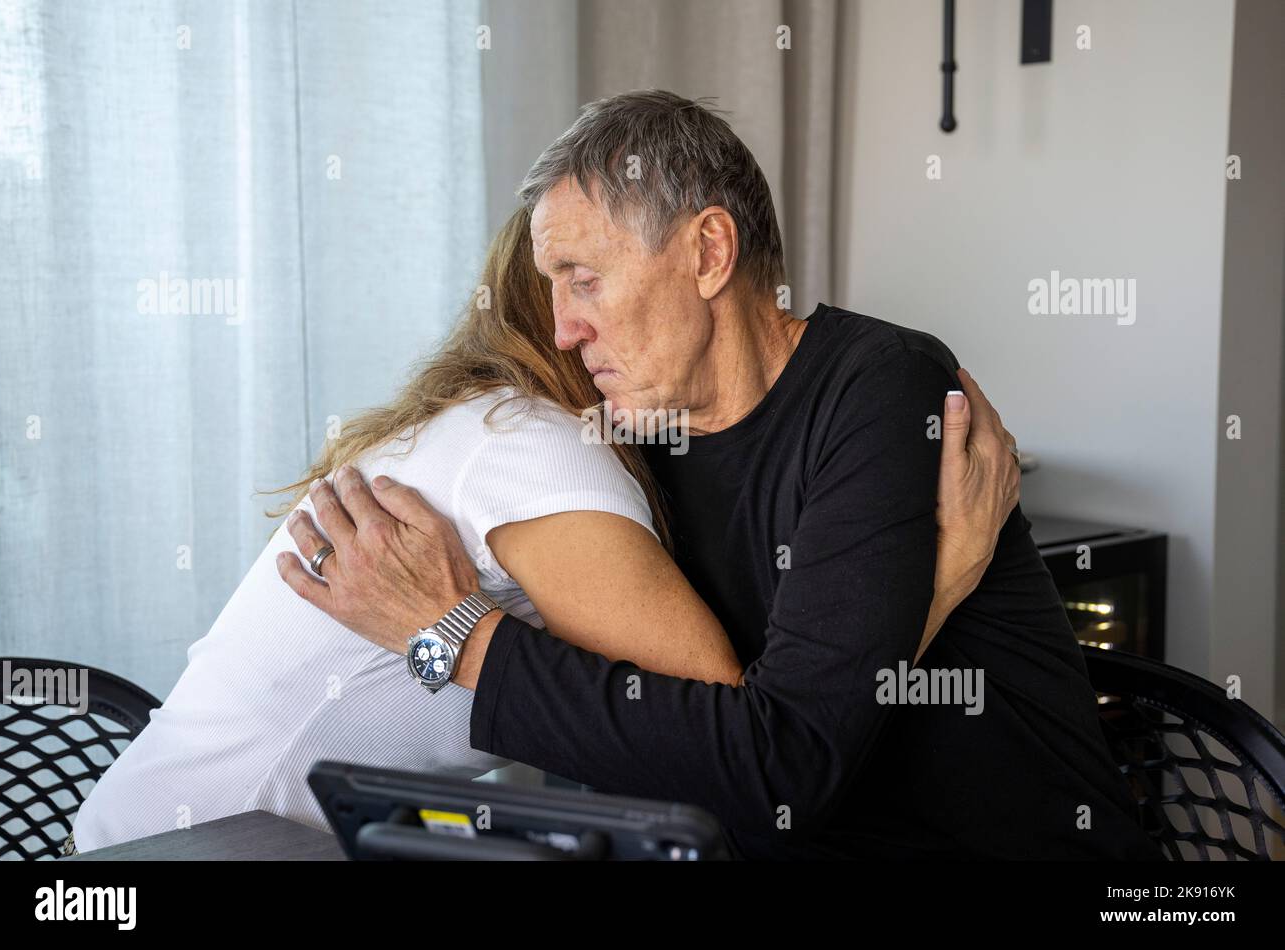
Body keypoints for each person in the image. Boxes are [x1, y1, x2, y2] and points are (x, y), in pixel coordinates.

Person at [281, 90, 1162, 860]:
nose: (561, 331)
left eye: (583, 280)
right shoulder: (637, 443)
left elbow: (784, 766)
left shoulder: (883, 388)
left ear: (709, 251)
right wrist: (938, 589)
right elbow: (704, 747)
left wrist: (453, 635)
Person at [69, 205, 984, 854]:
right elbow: (732, 738)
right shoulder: (537, 442)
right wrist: (936, 587)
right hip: (217, 849)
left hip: (146, 836)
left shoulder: (475, 425)